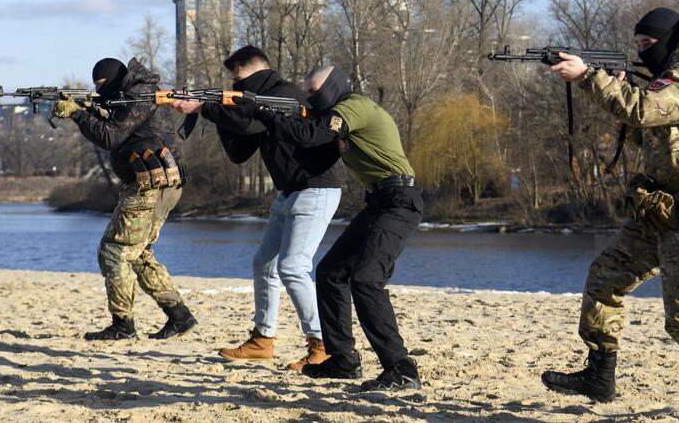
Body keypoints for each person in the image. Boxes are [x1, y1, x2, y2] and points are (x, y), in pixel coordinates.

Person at [541, 7, 679, 402]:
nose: (642, 54)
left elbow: (646, 109)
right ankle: (599, 375)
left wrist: (590, 78)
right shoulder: (673, 73)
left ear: (672, 40)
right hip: (662, 204)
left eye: (648, 45)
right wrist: (615, 92)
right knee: (605, 278)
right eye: (637, 46)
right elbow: (649, 134)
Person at [233, 65, 424, 392]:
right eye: (306, 91)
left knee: (366, 280)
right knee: (330, 272)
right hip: (379, 202)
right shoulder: (338, 120)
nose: (308, 96)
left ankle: (401, 369)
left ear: (333, 86)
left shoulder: (352, 107)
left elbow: (310, 135)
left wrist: (264, 114)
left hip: (399, 201)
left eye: (313, 90)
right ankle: (343, 361)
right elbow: (310, 154)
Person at [167, 46, 341, 370]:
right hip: (289, 194)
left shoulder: (283, 95)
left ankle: (323, 345)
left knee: (292, 267)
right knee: (264, 263)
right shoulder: (256, 104)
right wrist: (216, 109)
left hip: (316, 190)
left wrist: (207, 107)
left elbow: (248, 125)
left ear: (255, 73)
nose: (235, 87)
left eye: (238, 80)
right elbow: (239, 151)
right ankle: (263, 340)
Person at [52, 57, 197, 341]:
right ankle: (180, 316)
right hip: (156, 186)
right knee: (137, 254)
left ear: (114, 80)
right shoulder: (134, 93)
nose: (98, 89)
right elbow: (120, 127)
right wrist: (89, 109)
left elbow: (111, 136)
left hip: (150, 187)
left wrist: (78, 114)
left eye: (100, 84)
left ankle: (123, 326)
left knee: (114, 252)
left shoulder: (138, 96)